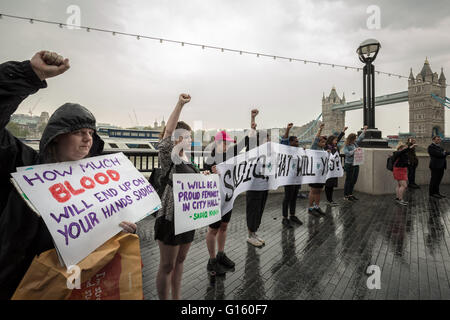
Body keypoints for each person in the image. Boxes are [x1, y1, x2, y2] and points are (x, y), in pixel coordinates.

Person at [0, 51, 136, 300]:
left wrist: (119, 231)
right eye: (78, 132)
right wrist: (29, 74)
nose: (87, 139)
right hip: (20, 285)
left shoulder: (97, 182)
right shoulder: (23, 164)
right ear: (57, 136)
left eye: (91, 132)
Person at [154, 93, 207, 300]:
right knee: (167, 265)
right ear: (177, 138)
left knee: (180, 261)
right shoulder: (169, 156)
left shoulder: (187, 158)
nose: (190, 139)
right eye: (187, 136)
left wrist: (204, 176)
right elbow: (167, 132)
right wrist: (180, 104)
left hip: (187, 218)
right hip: (171, 216)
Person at [204, 130, 246, 274]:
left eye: (228, 143)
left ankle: (221, 254)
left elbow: (244, 143)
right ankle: (212, 260)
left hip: (228, 199)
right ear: (217, 143)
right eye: (225, 143)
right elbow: (202, 178)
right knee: (213, 230)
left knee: (224, 226)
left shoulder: (231, 155)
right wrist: (210, 174)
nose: (227, 145)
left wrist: (252, 121)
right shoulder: (210, 159)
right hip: (215, 200)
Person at [245, 109, 270, 247]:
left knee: (259, 210)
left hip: (263, 186)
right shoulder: (253, 151)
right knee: (253, 210)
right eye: (266, 139)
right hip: (253, 187)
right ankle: (250, 235)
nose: (268, 141)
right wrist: (252, 118)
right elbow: (251, 137)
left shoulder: (268, 153)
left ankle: (254, 233)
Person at [280, 122, 304, 228]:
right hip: (288, 178)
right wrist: (287, 130)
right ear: (290, 142)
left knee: (294, 197)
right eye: (296, 141)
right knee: (287, 198)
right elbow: (284, 140)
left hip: (297, 177)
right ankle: (285, 218)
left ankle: (292, 215)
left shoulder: (298, 150)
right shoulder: (286, 149)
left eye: (298, 141)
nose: (298, 143)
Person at [307, 123, 327, 217]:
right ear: (318, 142)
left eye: (324, 142)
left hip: (321, 174)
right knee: (313, 190)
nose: (324, 144)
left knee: (319, 191)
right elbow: (316, 139)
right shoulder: (314, 148)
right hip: (314, 174)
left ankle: (317, 206)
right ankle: (310, 208)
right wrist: (320, 129)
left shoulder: (323, 151)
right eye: (322, 142)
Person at [324, 127, 348, 206]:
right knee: (328, 185)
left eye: (336, 140)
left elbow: (339, 138)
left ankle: (331, 200)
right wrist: (327, 151)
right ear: (331, 141)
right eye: (335, 140)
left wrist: (343, 131)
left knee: (332, 186)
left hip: (334, 169)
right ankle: (329, 200)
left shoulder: (335, 146)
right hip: (329, 169)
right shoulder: (327, 147)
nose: (336, 141)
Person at [342, 126, 367, 201]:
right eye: (354, 138)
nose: (356, 139)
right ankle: (346, 195)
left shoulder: (355, 144)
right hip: (349, 164)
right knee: (348, 180)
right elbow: (347, 153)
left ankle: (350, 194)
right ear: (351, 139)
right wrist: (354, 151)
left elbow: (360, 138)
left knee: (354, 180)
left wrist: (364, 130)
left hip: (356, 164)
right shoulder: (346, 145)